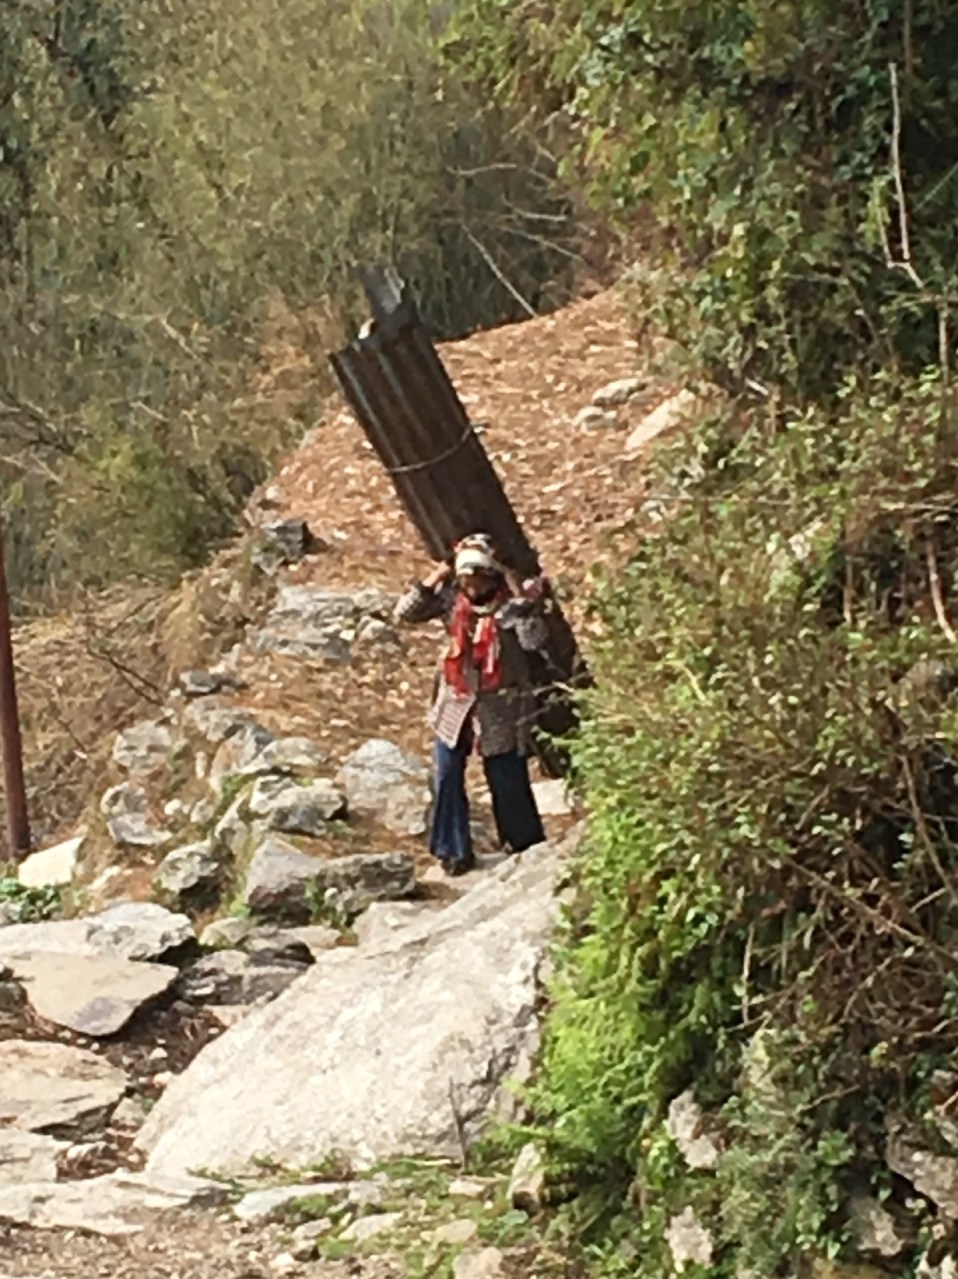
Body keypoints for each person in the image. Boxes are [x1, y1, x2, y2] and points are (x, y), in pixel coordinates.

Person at [394, 533, 548, 876]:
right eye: (465, 578)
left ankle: (523, 843)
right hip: (456, 698)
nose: (471, 586)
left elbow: (533, 640)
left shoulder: (510, 608)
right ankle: (452, 849)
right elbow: (406, 612)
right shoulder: (452, 601)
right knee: (447, 773)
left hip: (500, 705)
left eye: (478, 577)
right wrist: (438, 574)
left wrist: (518, 593)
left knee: (506, 776)